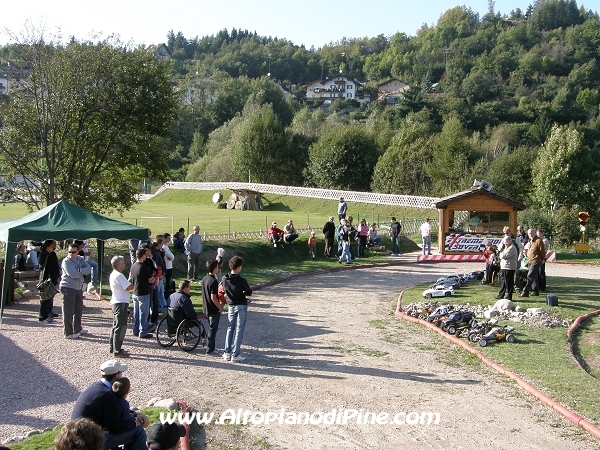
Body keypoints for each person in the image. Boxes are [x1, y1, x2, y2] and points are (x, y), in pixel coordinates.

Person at [71, 360, 148, 450]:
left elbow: (114, 411)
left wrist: (136, 414)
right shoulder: (108, 395)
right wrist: (137, 423)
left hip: (77, 435)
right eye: (121, 372)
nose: (122, 374)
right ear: (116, 375)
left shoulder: (97, 386)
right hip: (89, 441)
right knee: (137, 431)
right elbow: (116, 428)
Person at [222, 256, 252, 362]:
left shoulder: (224, 278)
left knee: (230, 328)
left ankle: (227, 352)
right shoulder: (241, 280)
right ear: (239, 267)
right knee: (239, 329)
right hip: (241, 305)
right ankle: (235, 354)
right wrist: (243, 292)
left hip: (231, 305)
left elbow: (224, 289)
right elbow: (249, 292)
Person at [61, 243, 92, 339]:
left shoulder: (81, 259)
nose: (71, 254)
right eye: (69, 252)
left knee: (78, 309)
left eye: (73, 252)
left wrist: (78, 270)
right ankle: (68, 333)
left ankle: (78, 329)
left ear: (78, 251)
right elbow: (72, 274)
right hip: (68, 287)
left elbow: (89, 269)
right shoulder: (66, 261)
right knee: (68, 311)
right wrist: (81, 272)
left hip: (78, 287)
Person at [109, 255, 133, 358]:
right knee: (120, 327)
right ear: (119, 265)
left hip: (116, 302)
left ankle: (113, 347)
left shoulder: (113, 274)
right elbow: (128, 287)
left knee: (115, 327)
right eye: (123, 263)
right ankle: (117, 350)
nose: (124, 265)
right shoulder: (119, 276)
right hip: (121, 303)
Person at [130, 248, 155, 339]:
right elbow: (150, 279)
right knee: (144, 313)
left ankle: (136, 329)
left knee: (136, 312)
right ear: (143, 256)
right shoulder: (145, 267)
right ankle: (143, 331)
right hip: (143, 292)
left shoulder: (133, 266)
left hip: (135, 292)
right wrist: (152, 279)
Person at [202, 261, 223, 356]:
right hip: (213, 308)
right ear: (215, 268)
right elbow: (213, 297)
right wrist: (220, 307)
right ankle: (210, 349)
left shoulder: (204, 279)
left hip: (206, 307)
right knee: (213, 329)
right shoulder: (214, 281)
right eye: (217, 267)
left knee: (211, 327)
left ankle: (212, 346)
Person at [38, 239, 60, 323]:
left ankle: (47, 314)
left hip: (48, 278)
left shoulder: (49, 254)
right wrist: (54, 281)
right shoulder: (46, 255)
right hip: (47, 279)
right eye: (53, 246)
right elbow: (48, 269)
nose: (54, 247)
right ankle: (43, 317)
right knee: (45, 297)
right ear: (49, 246)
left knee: (48, 297)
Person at [520, 228, 545, 298]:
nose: (530, 234)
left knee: (530, 275)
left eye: (531, 233)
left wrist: (543, 259)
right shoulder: (531, 240)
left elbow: (542, 251)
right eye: (529, 233)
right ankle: (535, 291)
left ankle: (526, 291)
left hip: (536, 260)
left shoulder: (538, 241)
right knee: (534, 276)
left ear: (534, 233)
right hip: (530, 260)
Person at [496, 236, 518, 300]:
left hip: (509, 267)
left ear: (509, 241)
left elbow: (504, 256)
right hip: (504, 267)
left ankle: (509, 296)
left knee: (508, 282)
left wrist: (501, 253)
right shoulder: (506, 248)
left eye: (505, 242)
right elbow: (501, 254)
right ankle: (501, 295)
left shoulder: (512, 248)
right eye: (504, 242)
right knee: (503, 282)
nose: (504, 243)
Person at [162, 233, 175, 297]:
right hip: (166, 267)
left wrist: (171, 258)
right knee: (166, 281)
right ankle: (166, 293)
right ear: (164, 238)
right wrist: (171, 258)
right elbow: (170, 256)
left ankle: (167, 291)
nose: (169, 240)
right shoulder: (164, 247)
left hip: (170, 266)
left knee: (169, 280)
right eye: (168, 238)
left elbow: (172, 257)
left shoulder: (166, 247)